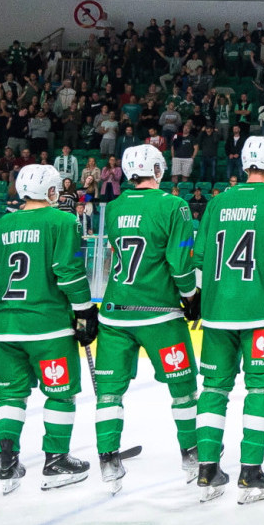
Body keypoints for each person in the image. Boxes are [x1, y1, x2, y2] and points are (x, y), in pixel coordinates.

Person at [192, 136, 264, 503]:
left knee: (213, 389)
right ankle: (250, 472)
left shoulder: (217, 202)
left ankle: (207, 470)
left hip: (218, 312)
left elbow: (201, 255)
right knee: (260, 389)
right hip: (261, 312)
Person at [0, 164, 97, 495]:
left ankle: (7, 461)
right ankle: (56, 459)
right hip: (49, 328)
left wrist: (0, 315)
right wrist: (84, 310)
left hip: (6, 327)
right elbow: (68, 270)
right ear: (51, 191)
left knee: (10, 395)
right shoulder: (63, 221)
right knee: (60, 393)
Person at [95, 145, 203, 492]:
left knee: (109, 393)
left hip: (114, 313)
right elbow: (179, 262)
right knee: (183, 388)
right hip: (160, 313)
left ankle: (108, 461)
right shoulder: (174, 205)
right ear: (158, 169)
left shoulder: (113, 208)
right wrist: (191, 297)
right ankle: (191, 455)